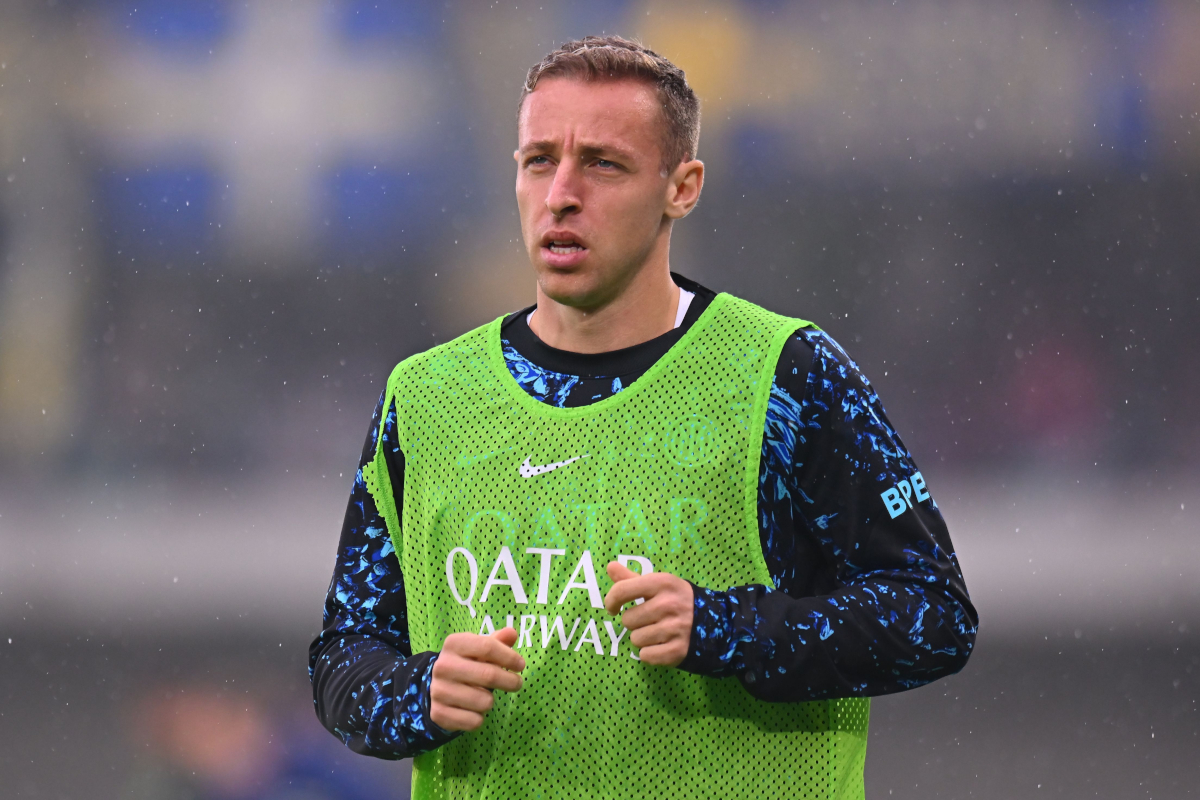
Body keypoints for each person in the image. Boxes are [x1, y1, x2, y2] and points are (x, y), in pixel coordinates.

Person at [310, 35, 976, 799]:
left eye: (603, 164)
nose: (561, 192)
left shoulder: (790, 376)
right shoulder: (424, 397)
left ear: (682, 187)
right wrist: (414, 694)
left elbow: (933, 615)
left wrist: (726, 629)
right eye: (538, 161)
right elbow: (345, 655)